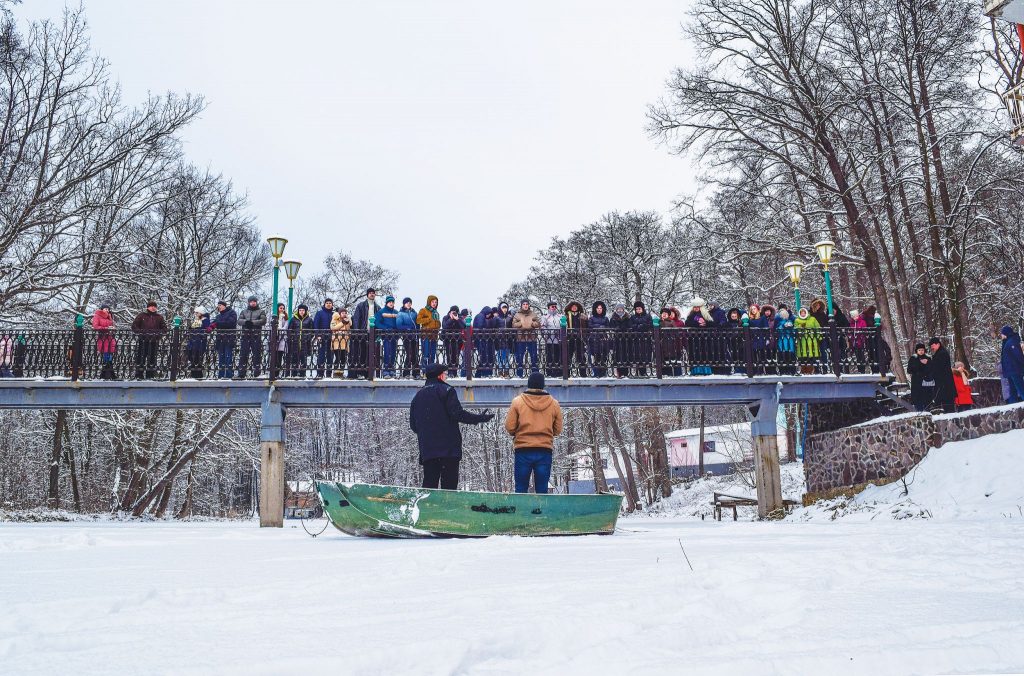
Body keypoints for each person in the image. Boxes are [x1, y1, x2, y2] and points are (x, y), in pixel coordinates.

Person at [409, 363, 494, 489]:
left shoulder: (417, 397)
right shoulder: (447, 391)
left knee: (429, 487)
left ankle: (428, 508)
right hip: (448, 450)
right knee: (449, 490)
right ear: (440, 376)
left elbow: (414, 426)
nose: (446, 377)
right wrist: (478, 418)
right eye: (445, 374)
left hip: (428, 451)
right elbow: (457, 414)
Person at [504, 372, 564, 494]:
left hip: (523, 450)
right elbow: (558, 430)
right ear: (543, 385)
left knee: (521, 489)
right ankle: (541, 513)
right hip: (544, 450)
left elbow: (510, 427)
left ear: (529, 384)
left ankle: (521, 512)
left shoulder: (517, 402)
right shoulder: (554, 404)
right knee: (542, 490)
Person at [131, 300, 167, 379]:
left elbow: (164, 329)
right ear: (148, 307)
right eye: (151, 306)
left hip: (154, 341)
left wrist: (158, 335)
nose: (153, 308)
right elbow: (134, 326)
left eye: (155, 306)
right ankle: (139, 374)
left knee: (152, 358)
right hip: (143, 340)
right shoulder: (142, 316)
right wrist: (141, 332)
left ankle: (150, 375)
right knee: (141, 357)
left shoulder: (159, 317)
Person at [350, 288, 379, 379]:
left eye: (373, 293)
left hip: (372, 334)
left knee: (370, 354)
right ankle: (360, 373)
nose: (372, 294)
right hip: (362, 333)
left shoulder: (377, 307)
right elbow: (356, 319)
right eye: (370, 293)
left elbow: (379, 321)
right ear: (367, 295)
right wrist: (357, 332)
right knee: (360, 353)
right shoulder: (361, 305)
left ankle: (368, 374)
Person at [684, 298, 716, 375]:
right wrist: (697, 324)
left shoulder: (706, 314)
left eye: (697, 307)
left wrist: (705, 324)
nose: (696, 308)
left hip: (705, 338)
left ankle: (706, 370)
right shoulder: (690, 315)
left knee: (705, 354)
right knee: (695, 355)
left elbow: (712, 323)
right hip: (694, 339)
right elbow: (687, 323)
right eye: (694, 307)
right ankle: (695, 371)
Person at [238, 295, 267, 379]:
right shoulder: (244, 311)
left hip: (256, 336)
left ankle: (257, 373)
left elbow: (263, 321)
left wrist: (252, 322)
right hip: (245, 335)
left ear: (256, 302)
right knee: (243, 354)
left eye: (254, 301)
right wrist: (246, 322)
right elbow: (239, 321)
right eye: (251, 302)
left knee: (257, 354)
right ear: (249, 302)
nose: (253, 303)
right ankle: (241, 374)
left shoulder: (261, 311)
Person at [512, 299, 541, 377]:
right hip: (521, 338)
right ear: (521, 305)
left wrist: (532, 323)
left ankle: (535, 374)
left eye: (527, 304)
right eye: (524, 304)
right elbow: (513, 325)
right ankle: (519, 374)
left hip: (531, 337)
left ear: (528, 305)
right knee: (520, 356)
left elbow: (538, 323)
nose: (525, 305)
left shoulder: (533, 314)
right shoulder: (517, 315)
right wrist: (521, 323)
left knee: (534, 356)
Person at [928, 337, 955, 413]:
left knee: (948, 407)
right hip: (943, 385)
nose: (931, 347)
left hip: (944, 385)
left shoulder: (941, 354)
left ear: (938, 344)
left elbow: (938, 368)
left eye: (932, 345)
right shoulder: (940, 353)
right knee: (945, 406)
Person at [416, 295, 442, 374]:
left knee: (432, 354)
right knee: (426, 354)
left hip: (434, 336)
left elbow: (438, 324)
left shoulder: (436, 312)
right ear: (429, 302)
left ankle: (431, 372)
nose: (434, 304)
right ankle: (424, 371)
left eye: (436, 302)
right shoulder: (423, 310)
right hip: (426, 336)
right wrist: (429, 319)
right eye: (433, 302)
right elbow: (418, 320)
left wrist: (438, 324)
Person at [211, 301, 238, 379]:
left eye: (220, 305)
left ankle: (229, 375)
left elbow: (230, 323)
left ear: (224, 306)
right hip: (220, 339)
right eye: (218, 305)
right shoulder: (218, 316)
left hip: (229, 338)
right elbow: (214, 324)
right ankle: (221, 375)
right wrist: (210, 327)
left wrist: (218, 323)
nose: (218, 307)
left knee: (228, 357)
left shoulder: (232, 313)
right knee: (221, 358)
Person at [375, 296, 399, 378]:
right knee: (387, 352)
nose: (391, 303)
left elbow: (399, 323)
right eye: (390, 302)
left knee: (393, 353)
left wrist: (398, 331)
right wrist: (386, 328)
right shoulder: (381, 312)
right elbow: (377, 322)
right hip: (386, 335)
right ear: (386, 303)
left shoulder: (396, 312)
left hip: (394, 336)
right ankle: (386, 370)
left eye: (392, 302)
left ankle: (392, 369)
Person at [907, 343, 935, 412]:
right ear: (917, 351)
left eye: (922, 350)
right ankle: (919, 412)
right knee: (918, 399)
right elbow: (909, 370)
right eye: (919, 350)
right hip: (917, 382)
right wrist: (920, 363)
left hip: (927, 381)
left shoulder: (928, 358)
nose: (921, 351)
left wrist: (927, 364)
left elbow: (931, 369)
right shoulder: (913, 358)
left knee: (927, 399)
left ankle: (928, 412)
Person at [92, 303, 117, 380]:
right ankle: (108, 374)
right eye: (105, 309)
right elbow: (95, 326)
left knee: (109, 356)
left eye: (108, 309)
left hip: (110, 338)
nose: (107, 310)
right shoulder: (97, 316)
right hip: (103, 338)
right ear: (102, 309)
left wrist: (112, 328)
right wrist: (106, 328)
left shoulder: (110, 317)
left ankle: (106, 374)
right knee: (106, 356)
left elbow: (112, 325)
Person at [287, 304, 314, 378]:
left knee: (303, 358)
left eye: (303, 310)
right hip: (295, 342)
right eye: (300, 310)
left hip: (305, 342)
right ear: (298, 311)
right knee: (294, 358)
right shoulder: (293, 319)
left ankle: (302, 374)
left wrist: (307, 337)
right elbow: (289, 330)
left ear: (305, 311)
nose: (301, 312)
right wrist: (293, 337)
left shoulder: (309, 319)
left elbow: (312, 331)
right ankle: (294, 374)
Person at [629, 301, 654, 377]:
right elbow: (631, 326)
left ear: (642, 309)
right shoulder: (632, 317)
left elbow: (650, 325)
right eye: (637, 309)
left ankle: (643, 373)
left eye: (639, 309)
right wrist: (640, 326)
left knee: (645, 356)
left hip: (645, 340)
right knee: (636, 356)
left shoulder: (648, 316)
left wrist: (640, 326)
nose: (638, 310)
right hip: (636, 340)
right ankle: (637, 372)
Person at [1000, 326, 1024, 403]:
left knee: (1020, 388)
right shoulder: (1007, 342)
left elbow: (1018, 355)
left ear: (1006, 333)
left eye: (1002, 333)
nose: (1001, 335)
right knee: (1013, 389)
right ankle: (1013, 406)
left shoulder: (1011, 342)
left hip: (1015, 369)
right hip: (1010, 370)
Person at [397, 297, 420, 378]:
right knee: (409, 354)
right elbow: (399, 325)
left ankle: (416, 373)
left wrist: (418, 332)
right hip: (407, 336)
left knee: (415, 354)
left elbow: (417, 324)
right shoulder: (401, 313)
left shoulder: (414, 313)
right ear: (404, 304)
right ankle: (406, 373)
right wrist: (408, 328)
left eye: (410, 302)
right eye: (407, 303)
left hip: (415, 336)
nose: (409, 304)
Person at [313, 298, 335, 378]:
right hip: (321, 337)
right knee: (321, 355)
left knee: (330, 356)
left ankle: (329, 374)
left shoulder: (334, 314)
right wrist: (317, 335)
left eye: (330, 303)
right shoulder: (320, 313)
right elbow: (316, 324)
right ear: (324, 304)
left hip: (332, 338)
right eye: (327, 303)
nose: (328, 304)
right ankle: (320, 373)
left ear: (332, 304)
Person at [794, 307, 822, 374]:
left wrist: (818, 337)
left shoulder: (812, 319)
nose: (803, 314)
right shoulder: (797, 320)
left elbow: (818, 327)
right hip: (802, 340)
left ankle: (814, 370)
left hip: (811, 339)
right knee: (803, 356)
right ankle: (803, 371)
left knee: (812, 355)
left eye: (804, 312)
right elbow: (795, 329)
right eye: (801, 313)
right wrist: (800, 326)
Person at [186, 306, 211, 379]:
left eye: (197, 312)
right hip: (193, 342)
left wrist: (196, 329)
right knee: (192, 358)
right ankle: (193, 375)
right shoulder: (197, 320)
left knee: (198, 359)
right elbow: (193, 329)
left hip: (200, 342)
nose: (196, 314)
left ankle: (198, 376)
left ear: (201, 313)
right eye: (195, 313)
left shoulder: (205, 320)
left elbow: (205, 330)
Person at [588, 301, 611, 377]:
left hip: (604, 340)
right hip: (594, 340)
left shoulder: (606, 318)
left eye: (600, 308)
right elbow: (590, 326)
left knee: (604, 357)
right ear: (595, 309)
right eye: (598, 308)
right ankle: (596, 374)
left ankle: (603, 374)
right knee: (595, 357)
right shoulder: (591, 318)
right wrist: (600, 326)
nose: (599, 310)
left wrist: (600, 327)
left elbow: (608, 327)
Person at [540, 301, 563, 378]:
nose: (554, 308)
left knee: (558, 356)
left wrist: (561, 332)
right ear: (549, 308)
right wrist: (550, 332)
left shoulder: (560, 316)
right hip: (550, 340)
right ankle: (549, 372)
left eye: (555, 306)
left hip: (559, 340)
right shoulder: (545, 317)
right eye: (552, 306)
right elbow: (543, 327)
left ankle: (559, 372)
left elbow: (564, 326)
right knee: (550, 356)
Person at [564, 301, 587, 377]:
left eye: (576, 306)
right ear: (570, 307)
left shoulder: (582, 316)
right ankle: (567, 374)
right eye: (573, 306)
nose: (574, 308)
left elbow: (586, 326)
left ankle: (583, 374)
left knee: (581, 356)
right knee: (568, 356)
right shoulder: (566, 316)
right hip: (569, 338)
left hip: (579, 338)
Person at [472, 306, 495, 377]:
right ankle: (483, 373)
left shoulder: (480, 316)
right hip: (481, 340)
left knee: (484, 357)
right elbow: (480, 327)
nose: (488, 316)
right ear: (486, 312)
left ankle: (479, 374)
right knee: (484, 357)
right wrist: (486, 331)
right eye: (489, 314)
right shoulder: (480, 316)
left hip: (481, 340)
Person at [609, 303, 631, 377]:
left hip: (626, 340)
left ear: (623, 309)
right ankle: (619, 373)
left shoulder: (627, 317)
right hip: (617, 340)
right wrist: (616, 329)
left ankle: (626, 373)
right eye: (618, 309)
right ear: (616, 310)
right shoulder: (613, 318)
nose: (620, 310)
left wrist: (625, 329)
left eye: (621, 309)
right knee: (617, 355)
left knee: (626, 355)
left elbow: (630, 327)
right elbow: (611, 327)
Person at [330, 307, 352, 377]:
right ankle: (335, 373)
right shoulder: (335, 319)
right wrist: (342, 323)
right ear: (339, 314)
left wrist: (348, 322)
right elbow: (333, 328)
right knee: (337, 357)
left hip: (344, 341)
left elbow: (348, 329)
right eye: (342, 313)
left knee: (343, 358)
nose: (344, 314)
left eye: (345, 313)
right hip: (336, 341)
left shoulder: (346, 319)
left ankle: (341, 373)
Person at [441, 306, 463, 377]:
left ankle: (455, 372)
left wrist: (457, 319)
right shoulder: (446, 317)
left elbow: (463, 326)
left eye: (455, 312)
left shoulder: (459, 318)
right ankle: (450, 372)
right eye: (453, 311)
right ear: (450, 311)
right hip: (448, 341)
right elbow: (444, 326)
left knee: (456, 356)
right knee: (449, 356)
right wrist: (451, 319)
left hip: (458, 341)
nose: (454, 313)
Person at [493, 302, 513, 377]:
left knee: (507, 356)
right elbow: (494, 328)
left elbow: (511, 327)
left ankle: (507, 371)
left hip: (508, 339)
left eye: (506, 308)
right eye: (503, 308)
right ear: (500, 308)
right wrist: (497, 334)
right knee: (500, 355)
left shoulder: (510, 318)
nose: (504, 309)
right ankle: (500, 371)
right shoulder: (497, 318)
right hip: (499, 339)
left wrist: (510, 334)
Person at [775, 306, 796, 375]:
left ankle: (791, 370)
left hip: (789, 340)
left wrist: (791, 327)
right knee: (783, 354)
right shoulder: (780, 323)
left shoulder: (790, 321)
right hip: (783, 340)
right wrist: (784, 326)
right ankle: (783, 370)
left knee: (789, 354)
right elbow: (778, 330)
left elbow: (793, 330)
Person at [272, 303, 288, 376]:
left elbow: (285, 328)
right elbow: (271, 327)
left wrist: (281, 320)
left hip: (281, 339)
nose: (282, 309)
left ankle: (277, 374)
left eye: (283, 308)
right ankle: (272, 373)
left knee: (279, 357)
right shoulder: (273, 317)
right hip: (274, 339)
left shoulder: (285, 318)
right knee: (273, 357)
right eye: (280, 308)